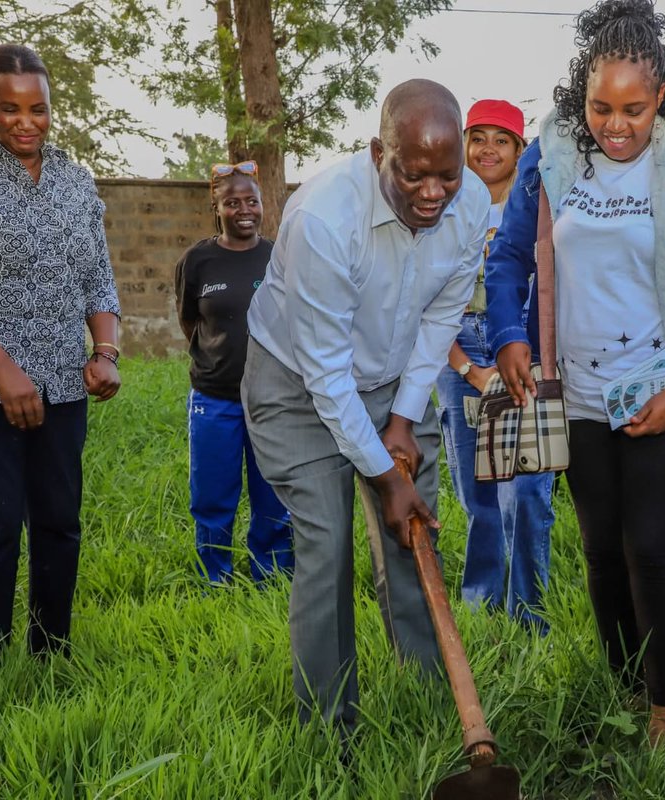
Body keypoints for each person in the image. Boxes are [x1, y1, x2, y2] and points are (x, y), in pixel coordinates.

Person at [486, 0, 665, 746]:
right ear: (583, 95)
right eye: (601, 107)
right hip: (581, 393)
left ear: (661, 96)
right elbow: (508, 258)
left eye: (634, 109)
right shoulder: (553, 157)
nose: (617, 125)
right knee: (601, 550)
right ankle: (621, 690)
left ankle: (664, 709)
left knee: (649, 548)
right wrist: (510, 335)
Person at [240, 79, 489, 731]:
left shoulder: (471, 207)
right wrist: (383, 475)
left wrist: (403, 420)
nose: (433, 194)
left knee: (413, 535)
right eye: (413, 176)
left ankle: (431, 700)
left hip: (393, 378)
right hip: (297, 387)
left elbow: (440, 317)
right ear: (379, 151)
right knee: (326, 545)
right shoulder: (324, 218)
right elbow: (326, 374)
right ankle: (330, 730)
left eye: (447, 175)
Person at [0, 44, 121, 663]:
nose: (24, 122)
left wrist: (107, 350)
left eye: (36, 109)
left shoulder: (75, 179)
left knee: (60, 523)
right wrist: (3, 367)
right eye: (7, 108)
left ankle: (50, 653)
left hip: (64, 385)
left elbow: (97, 276)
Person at [435, 100, 555, 629]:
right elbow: (425, 307)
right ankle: (482, 609)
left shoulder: (538, 207)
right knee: (477, 493)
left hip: (522, 347)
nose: (487, 148)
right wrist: (467, 369)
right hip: (457, 346)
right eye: (477, 137)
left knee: (527, 489)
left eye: (500, 139)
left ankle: (529, 614)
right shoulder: (441, 205)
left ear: (519, 150)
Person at [174, 162, 293, 585]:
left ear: (263, 205)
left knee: (274, 495)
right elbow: (191, 321)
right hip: (214, 400)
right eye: (232, 202)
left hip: (271, 399)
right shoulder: (197, 261)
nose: (244, 209)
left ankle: (272, 576)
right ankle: (216, 578)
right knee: (212, 498)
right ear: (217, 208)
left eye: (252, 201)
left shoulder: (279, 257)